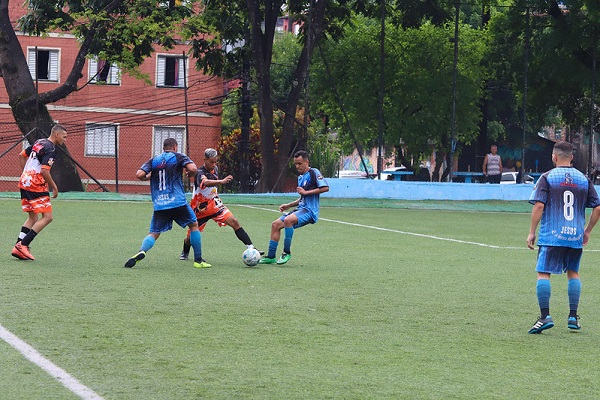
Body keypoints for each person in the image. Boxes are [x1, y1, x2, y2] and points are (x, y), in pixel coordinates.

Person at [527, 141, 600, 334]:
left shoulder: (547, 177)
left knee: (543, 273)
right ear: (572, 157)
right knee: (573, 273)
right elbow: (598, 207)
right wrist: (588, 230)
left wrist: (532, 231)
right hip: (575, 236)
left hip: (552, 235)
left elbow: (539, 206)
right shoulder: (584, 179)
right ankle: (573, 317)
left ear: (554, 157)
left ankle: (544, 317)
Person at [124, 138, 211, 269]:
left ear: (163, 147)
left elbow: (139, 174)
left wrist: (147, 177)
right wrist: (190, 173)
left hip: (160, 204)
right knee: (194, 225)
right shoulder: (179, 156)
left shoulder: (154, 160)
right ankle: (198, 260)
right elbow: (193, 168)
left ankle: (142, 251)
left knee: (153, 233)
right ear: (175, 147)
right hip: (177, 201)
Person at [179, 148, 263, 260]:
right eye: (211, 162)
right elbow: (206, 182)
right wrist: (221, 182)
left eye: (215, 162)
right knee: (191, 237)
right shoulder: (200, 173)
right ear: (205, 159)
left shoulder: (215, 169)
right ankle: (185, 250)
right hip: (200, 209)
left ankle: (251, 247)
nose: (214, 164)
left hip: (214, 204)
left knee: (234, 222)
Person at [259, 150, 329, 265]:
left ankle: (286, 252)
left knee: (288, 220)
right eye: (296, 164)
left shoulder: (314, 172)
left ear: (307, 162)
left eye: (300, 163)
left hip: (310, 211)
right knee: (275, 225)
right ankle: (271, 256)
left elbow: (325, 188)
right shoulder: (301, 178)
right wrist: (289, 205)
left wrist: (306, 192)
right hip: (301, 209)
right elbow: (302, 198)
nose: (297, 166)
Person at [11, 124, 68, 261]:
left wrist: (26, 174)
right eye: (64, 137)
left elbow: (21, 155)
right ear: (56, 135)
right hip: (36, 185)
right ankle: (23, 245)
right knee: (48, 217)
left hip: (25, 182)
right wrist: (54, 186)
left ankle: (17, 247)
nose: (65, 140)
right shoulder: (51, 149)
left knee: (33, 218)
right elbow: (44, 170)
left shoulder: (39, 142)